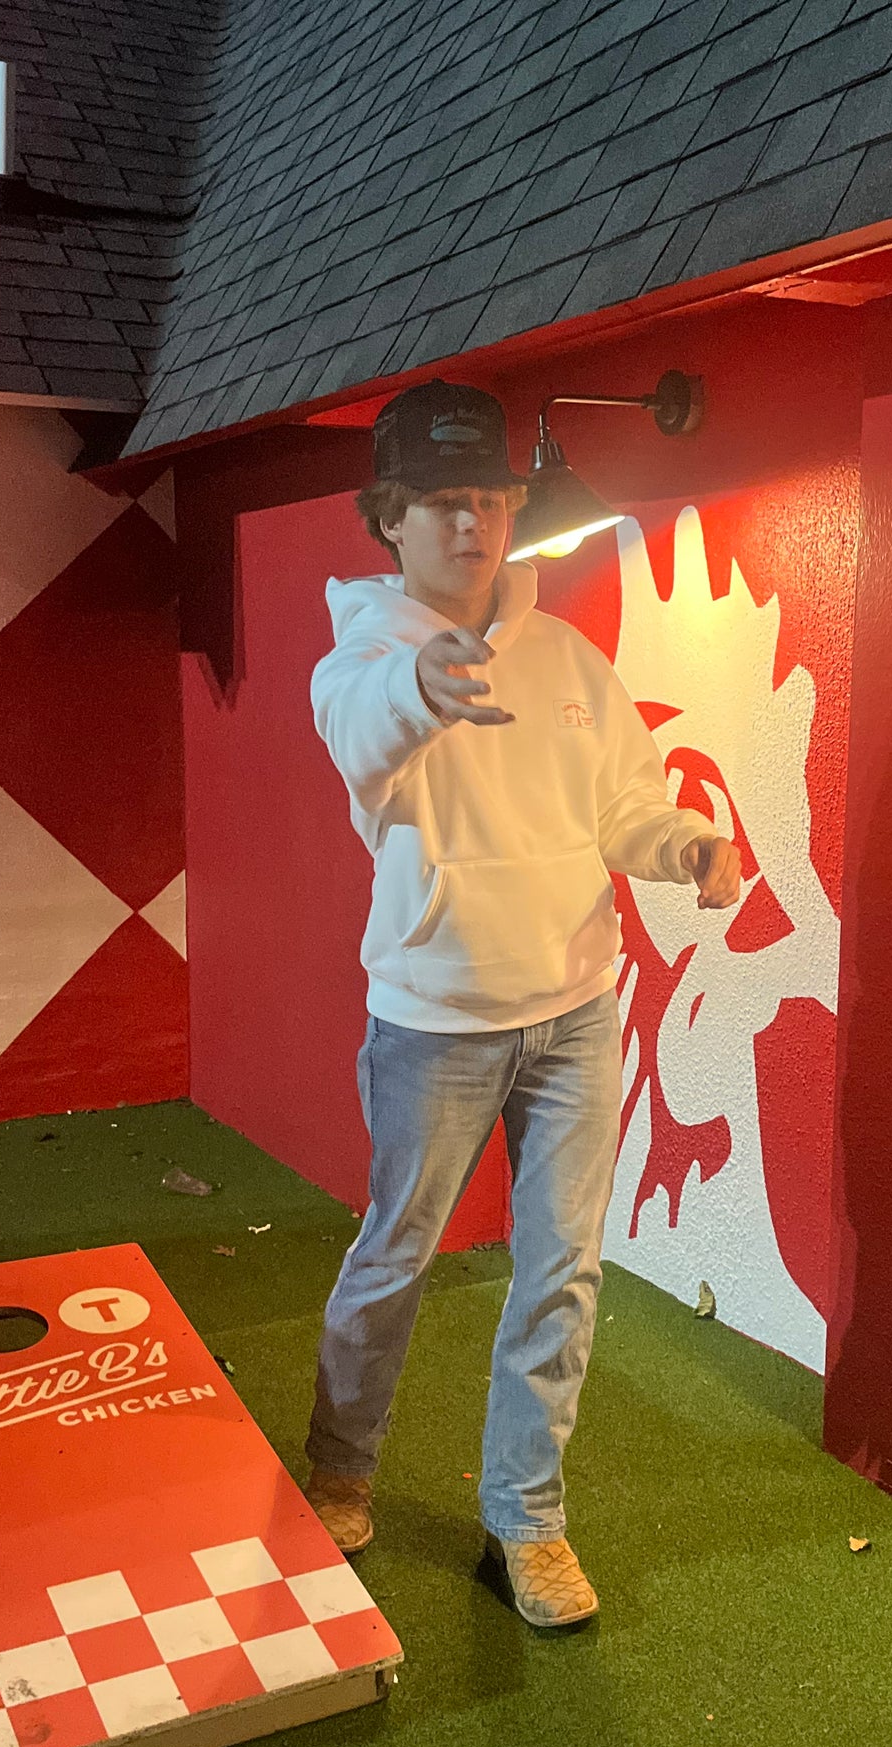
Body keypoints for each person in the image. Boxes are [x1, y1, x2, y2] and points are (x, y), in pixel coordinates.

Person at [305, 378, 740, 1628]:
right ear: (389, 517)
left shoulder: (564, 657)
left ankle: (526, 1519)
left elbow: (623, 802)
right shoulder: (366, 656)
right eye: (442, 502)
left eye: (489, 500)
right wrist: (421, 686)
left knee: (562, 1271)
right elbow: (358, 730)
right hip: (433, 1020)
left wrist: (679, 843)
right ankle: (339, 1468)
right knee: (394, 1257)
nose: (471, 525)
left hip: (576, 1015)